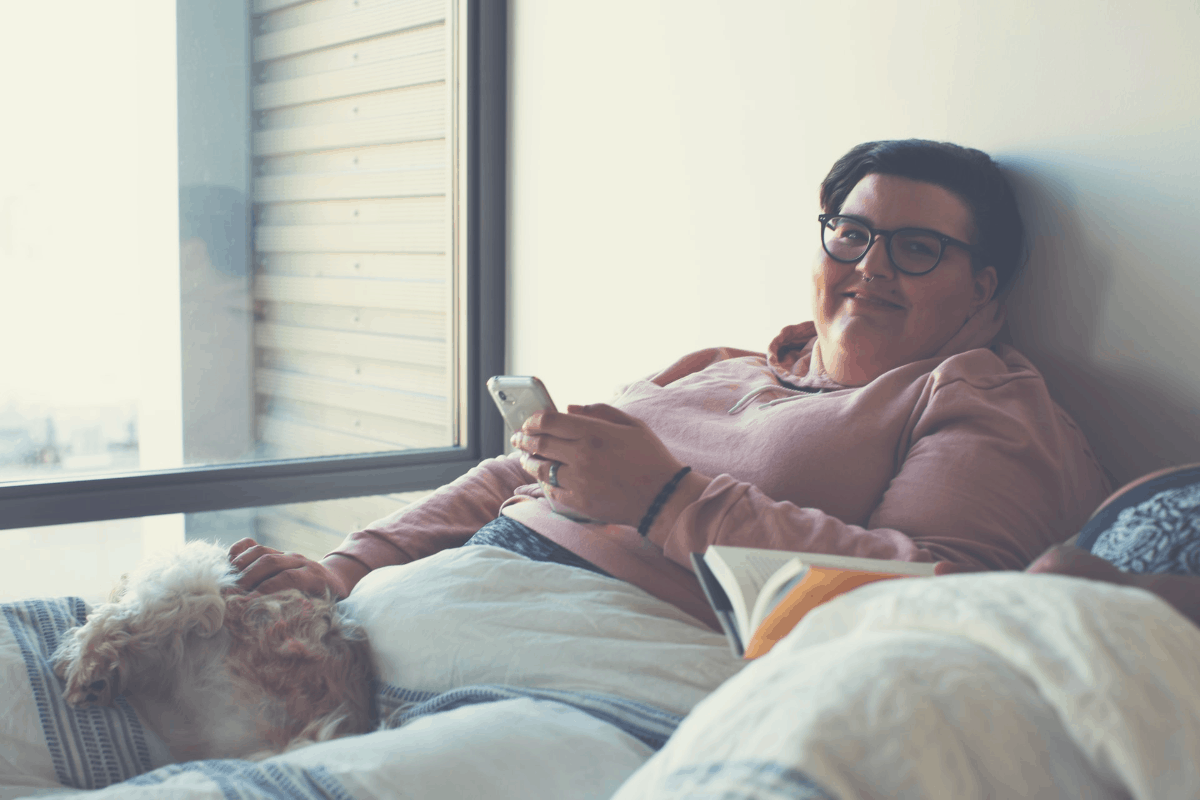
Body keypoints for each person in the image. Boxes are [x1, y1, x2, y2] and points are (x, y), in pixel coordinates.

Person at [230, 139, 1112, 631]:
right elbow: (517, 476)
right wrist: (340, 569)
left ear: (985, 287)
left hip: (606, 649)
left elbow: (944, 591)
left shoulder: (978, 396)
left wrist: (669, 500)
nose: (871, 266)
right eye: (851, 233)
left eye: (916, 248)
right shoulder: (721, 365)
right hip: (430, 601)